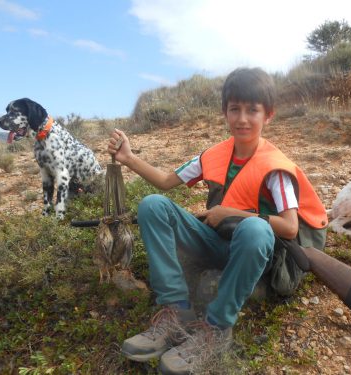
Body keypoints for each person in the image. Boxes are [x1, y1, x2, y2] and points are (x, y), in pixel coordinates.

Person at [107, 67, 327, 374]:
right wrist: (128, 158)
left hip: (256, 255)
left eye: (253, 110)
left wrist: (232, 213)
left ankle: (216, 329)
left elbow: (290, 227)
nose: (242, 118)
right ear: (224, 112)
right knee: (152, 205)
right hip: (216, 243)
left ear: (269, 115)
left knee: (254, 228)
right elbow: (165, 181)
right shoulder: (212, 155)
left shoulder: (277, 168)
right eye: (235, 109)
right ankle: (176, 312)